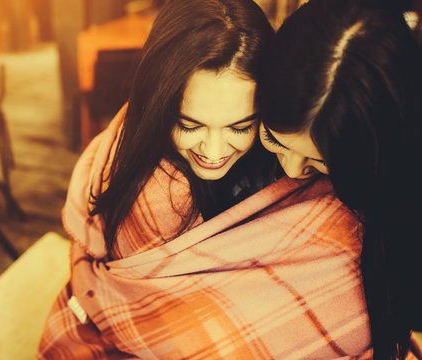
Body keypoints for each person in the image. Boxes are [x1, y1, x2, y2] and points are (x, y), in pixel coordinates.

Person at [39, 0, 378, 358]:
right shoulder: (159, 195)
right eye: (190, 124)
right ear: (157, 104)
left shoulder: (295, 152)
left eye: (241, 126)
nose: (214, 151)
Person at [255, 0, 422, 359]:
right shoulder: (229, 129)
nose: (292, 171)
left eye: (321, 162)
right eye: (273, 139)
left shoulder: (415, 225)